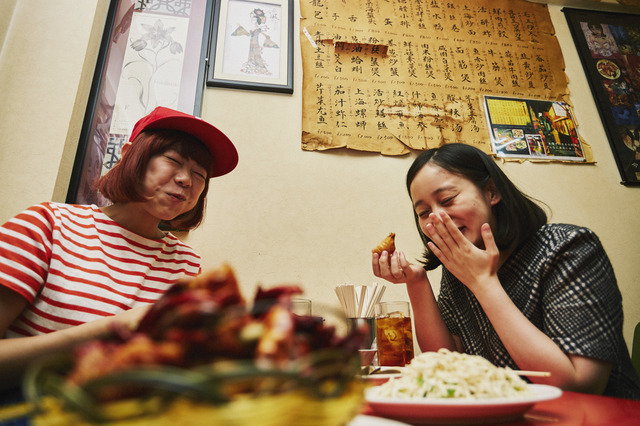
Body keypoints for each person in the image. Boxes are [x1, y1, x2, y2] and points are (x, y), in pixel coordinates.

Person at [372, 143, 640, 400]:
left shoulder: (568, 248)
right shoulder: (458, 268)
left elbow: (579, 385)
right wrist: (417, 283)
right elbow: (448, 363)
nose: (436, 218)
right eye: (423, 212)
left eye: (448, 200)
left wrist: (483, 283)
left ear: (491, 191)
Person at [0, 106, 238, 394]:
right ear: (128, 154)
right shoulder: (47, 225)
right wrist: (108, 330)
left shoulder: (186, 265)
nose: (186, 180)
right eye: (173, 160)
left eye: (200, 174)